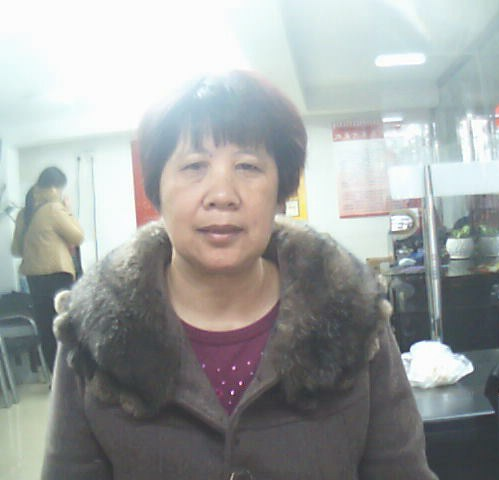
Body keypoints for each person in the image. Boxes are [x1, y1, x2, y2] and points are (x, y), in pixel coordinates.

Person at [42, 71, 438, 479]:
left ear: (280, 190)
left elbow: (402, 470)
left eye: (248, 166)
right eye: (194, 166)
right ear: (157, 188)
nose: (222, 195)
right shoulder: (94, 332)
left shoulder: (351, 314)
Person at [11, 166, 84, 372]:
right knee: (66, 326)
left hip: (34, 278)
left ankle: (55, 376)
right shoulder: (54, 209)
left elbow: (16, 249)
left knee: (46, 328)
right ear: (54, 188)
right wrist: (67, 209)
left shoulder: (24, 213)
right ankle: (72, 376)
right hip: (57, 276)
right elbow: (78, 236)